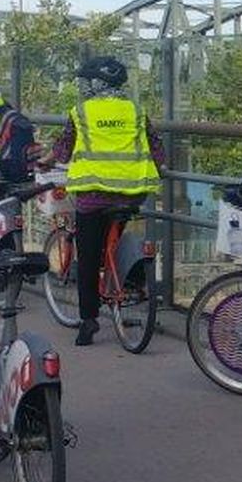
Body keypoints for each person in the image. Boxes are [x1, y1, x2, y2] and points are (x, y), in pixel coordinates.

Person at [46, 55, 164, 346]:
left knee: (88, 256)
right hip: (134, 191)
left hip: (94, 195)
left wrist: (47, 159)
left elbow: (62, 151)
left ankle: (88, 321)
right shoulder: (136, 110)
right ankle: (129, 280)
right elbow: (157, 149)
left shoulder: (82, 111)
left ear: (96, 83)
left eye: (85, 82)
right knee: (114, 238)